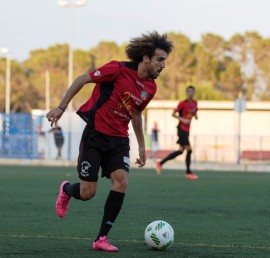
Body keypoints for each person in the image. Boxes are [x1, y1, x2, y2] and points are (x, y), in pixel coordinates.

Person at [46, 31, 173, 252]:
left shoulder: (150, 87)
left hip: (119, 141)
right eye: (160, 59)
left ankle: (101, 238)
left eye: (164, 61)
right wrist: (61, 107)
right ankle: (67, 190)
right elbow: (83, 79)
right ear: (145, 58)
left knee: (121, 181)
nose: (163, 65)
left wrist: (142, 146)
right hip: (95, 135)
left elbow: (135, 114)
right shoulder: (118, 69)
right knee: (87, 193)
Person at [156, 86, 198, 180]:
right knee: (189, 150)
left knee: (180, 151)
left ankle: (160, 163)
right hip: (181, 129)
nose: (191, 93)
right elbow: (173, 114)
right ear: (187, 93)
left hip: (187, 131)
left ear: (194, 93)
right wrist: (182, 119)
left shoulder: (195, 103)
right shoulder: (182, 103)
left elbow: (194, 112)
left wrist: (195, 116)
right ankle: (188, 172)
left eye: (192, 91)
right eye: (189, 91)